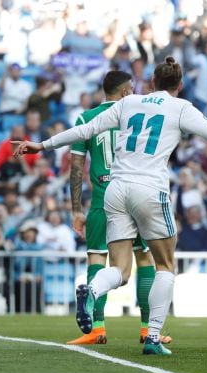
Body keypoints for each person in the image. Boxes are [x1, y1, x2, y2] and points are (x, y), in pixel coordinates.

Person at [14, 57, 207, 355]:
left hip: (115, 189)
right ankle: (152, 337)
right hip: (149, 189)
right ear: (181, 86)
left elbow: (85, 131)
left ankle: (92, 290)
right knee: (164, 265)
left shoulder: (129, 103)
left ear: (151, 83)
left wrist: (42, 145)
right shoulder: (181, 108)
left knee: (120, 271)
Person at [67, 70, 171, 345]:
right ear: (126, 92)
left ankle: (95, 330)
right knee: (145, 259)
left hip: (103, 200)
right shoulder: (136, 114)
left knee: (97, 258)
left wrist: (76, 209)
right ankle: (148, 330)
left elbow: (76, 166)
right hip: (135, 194)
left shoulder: (85, 118)